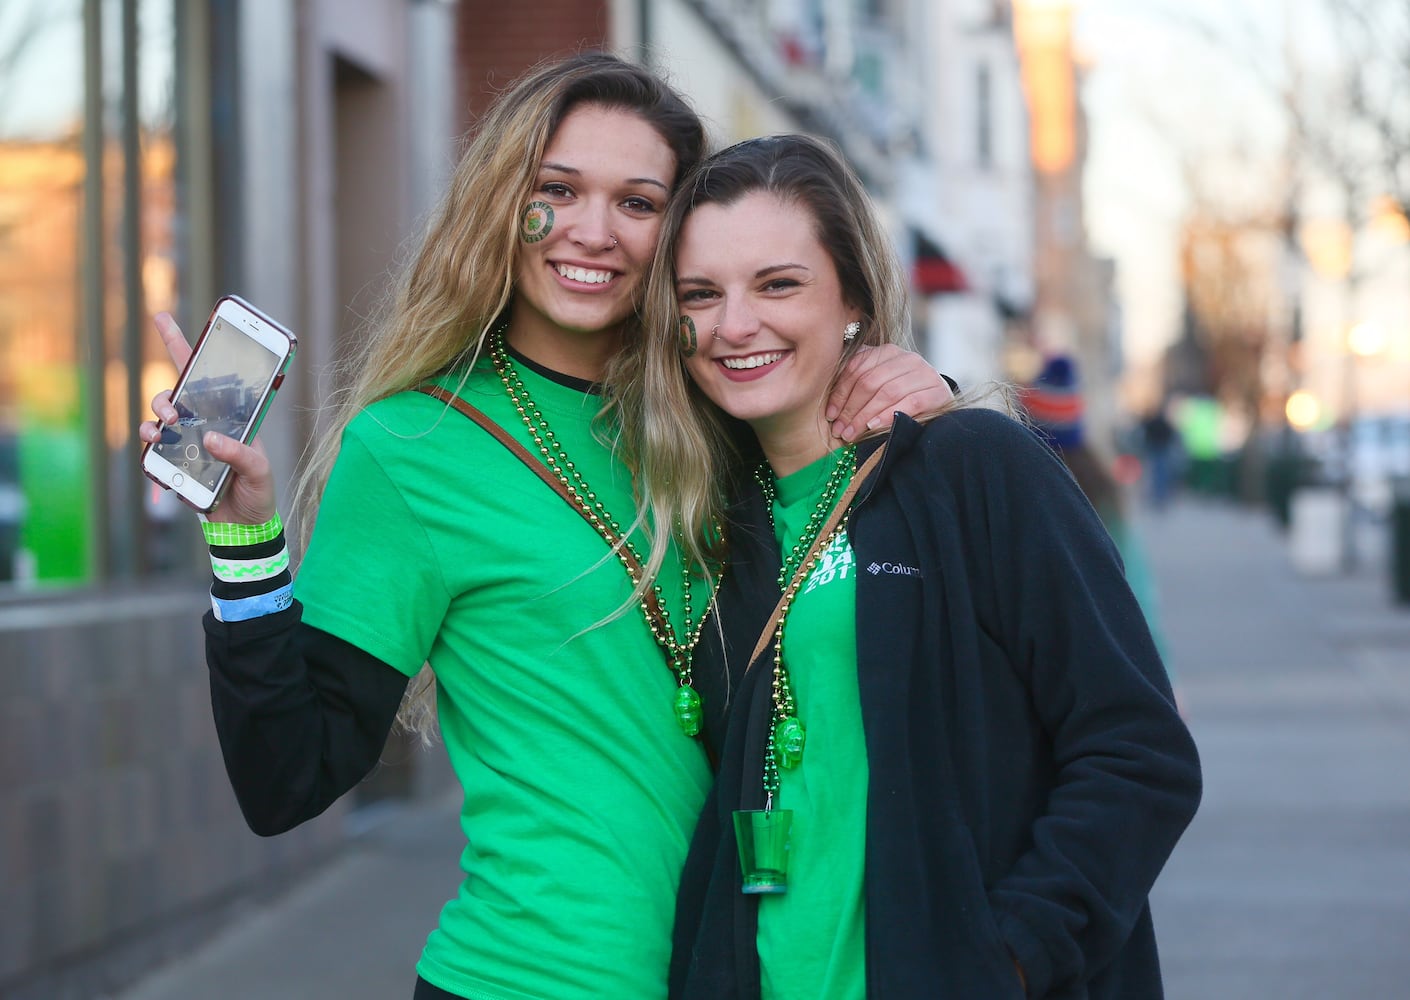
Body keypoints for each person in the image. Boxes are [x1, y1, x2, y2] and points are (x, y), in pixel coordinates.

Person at [138, 55, 953, 1000]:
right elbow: (288, 778)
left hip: (741, 973)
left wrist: (914, 408)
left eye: (639, 203)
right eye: (557, 190)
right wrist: (245, 545)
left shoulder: (729, 420)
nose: (593, 232)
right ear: (502, 202)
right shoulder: (414, 447)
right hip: (522, 979)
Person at [625, 134, 1202, 999]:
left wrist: (1008, 955)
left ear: (852, 297)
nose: (734, 325)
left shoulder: (971, 465)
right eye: (701, 294)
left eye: (778, 284)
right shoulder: (709, 518)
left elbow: (1138, 750)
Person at [1019, 354, 1181, 709]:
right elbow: (1137, 591)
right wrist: (1163, 676)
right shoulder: (1101, 490)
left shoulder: (1012, 483)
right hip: (1095, 664)